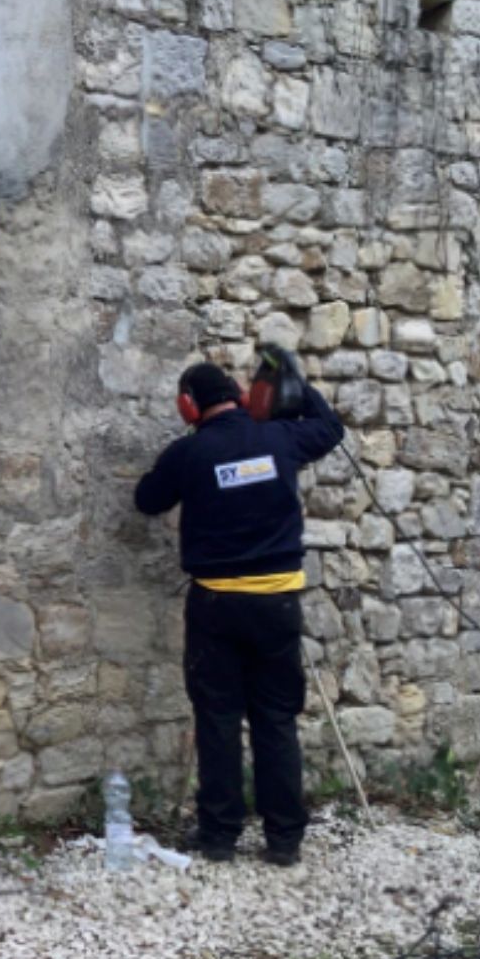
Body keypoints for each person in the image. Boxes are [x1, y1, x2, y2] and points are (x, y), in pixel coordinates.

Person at [133, 354, 344, 866]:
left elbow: (147, 500)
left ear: (189, 406)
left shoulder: (189, 454)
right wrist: (290, 382)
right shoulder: (280, 440)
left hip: (217, 606)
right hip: (277, 604)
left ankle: (220, 836)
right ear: (239, 396)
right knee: (275, 719)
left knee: (219, 718)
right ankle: (284, 840)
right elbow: (330, 428)